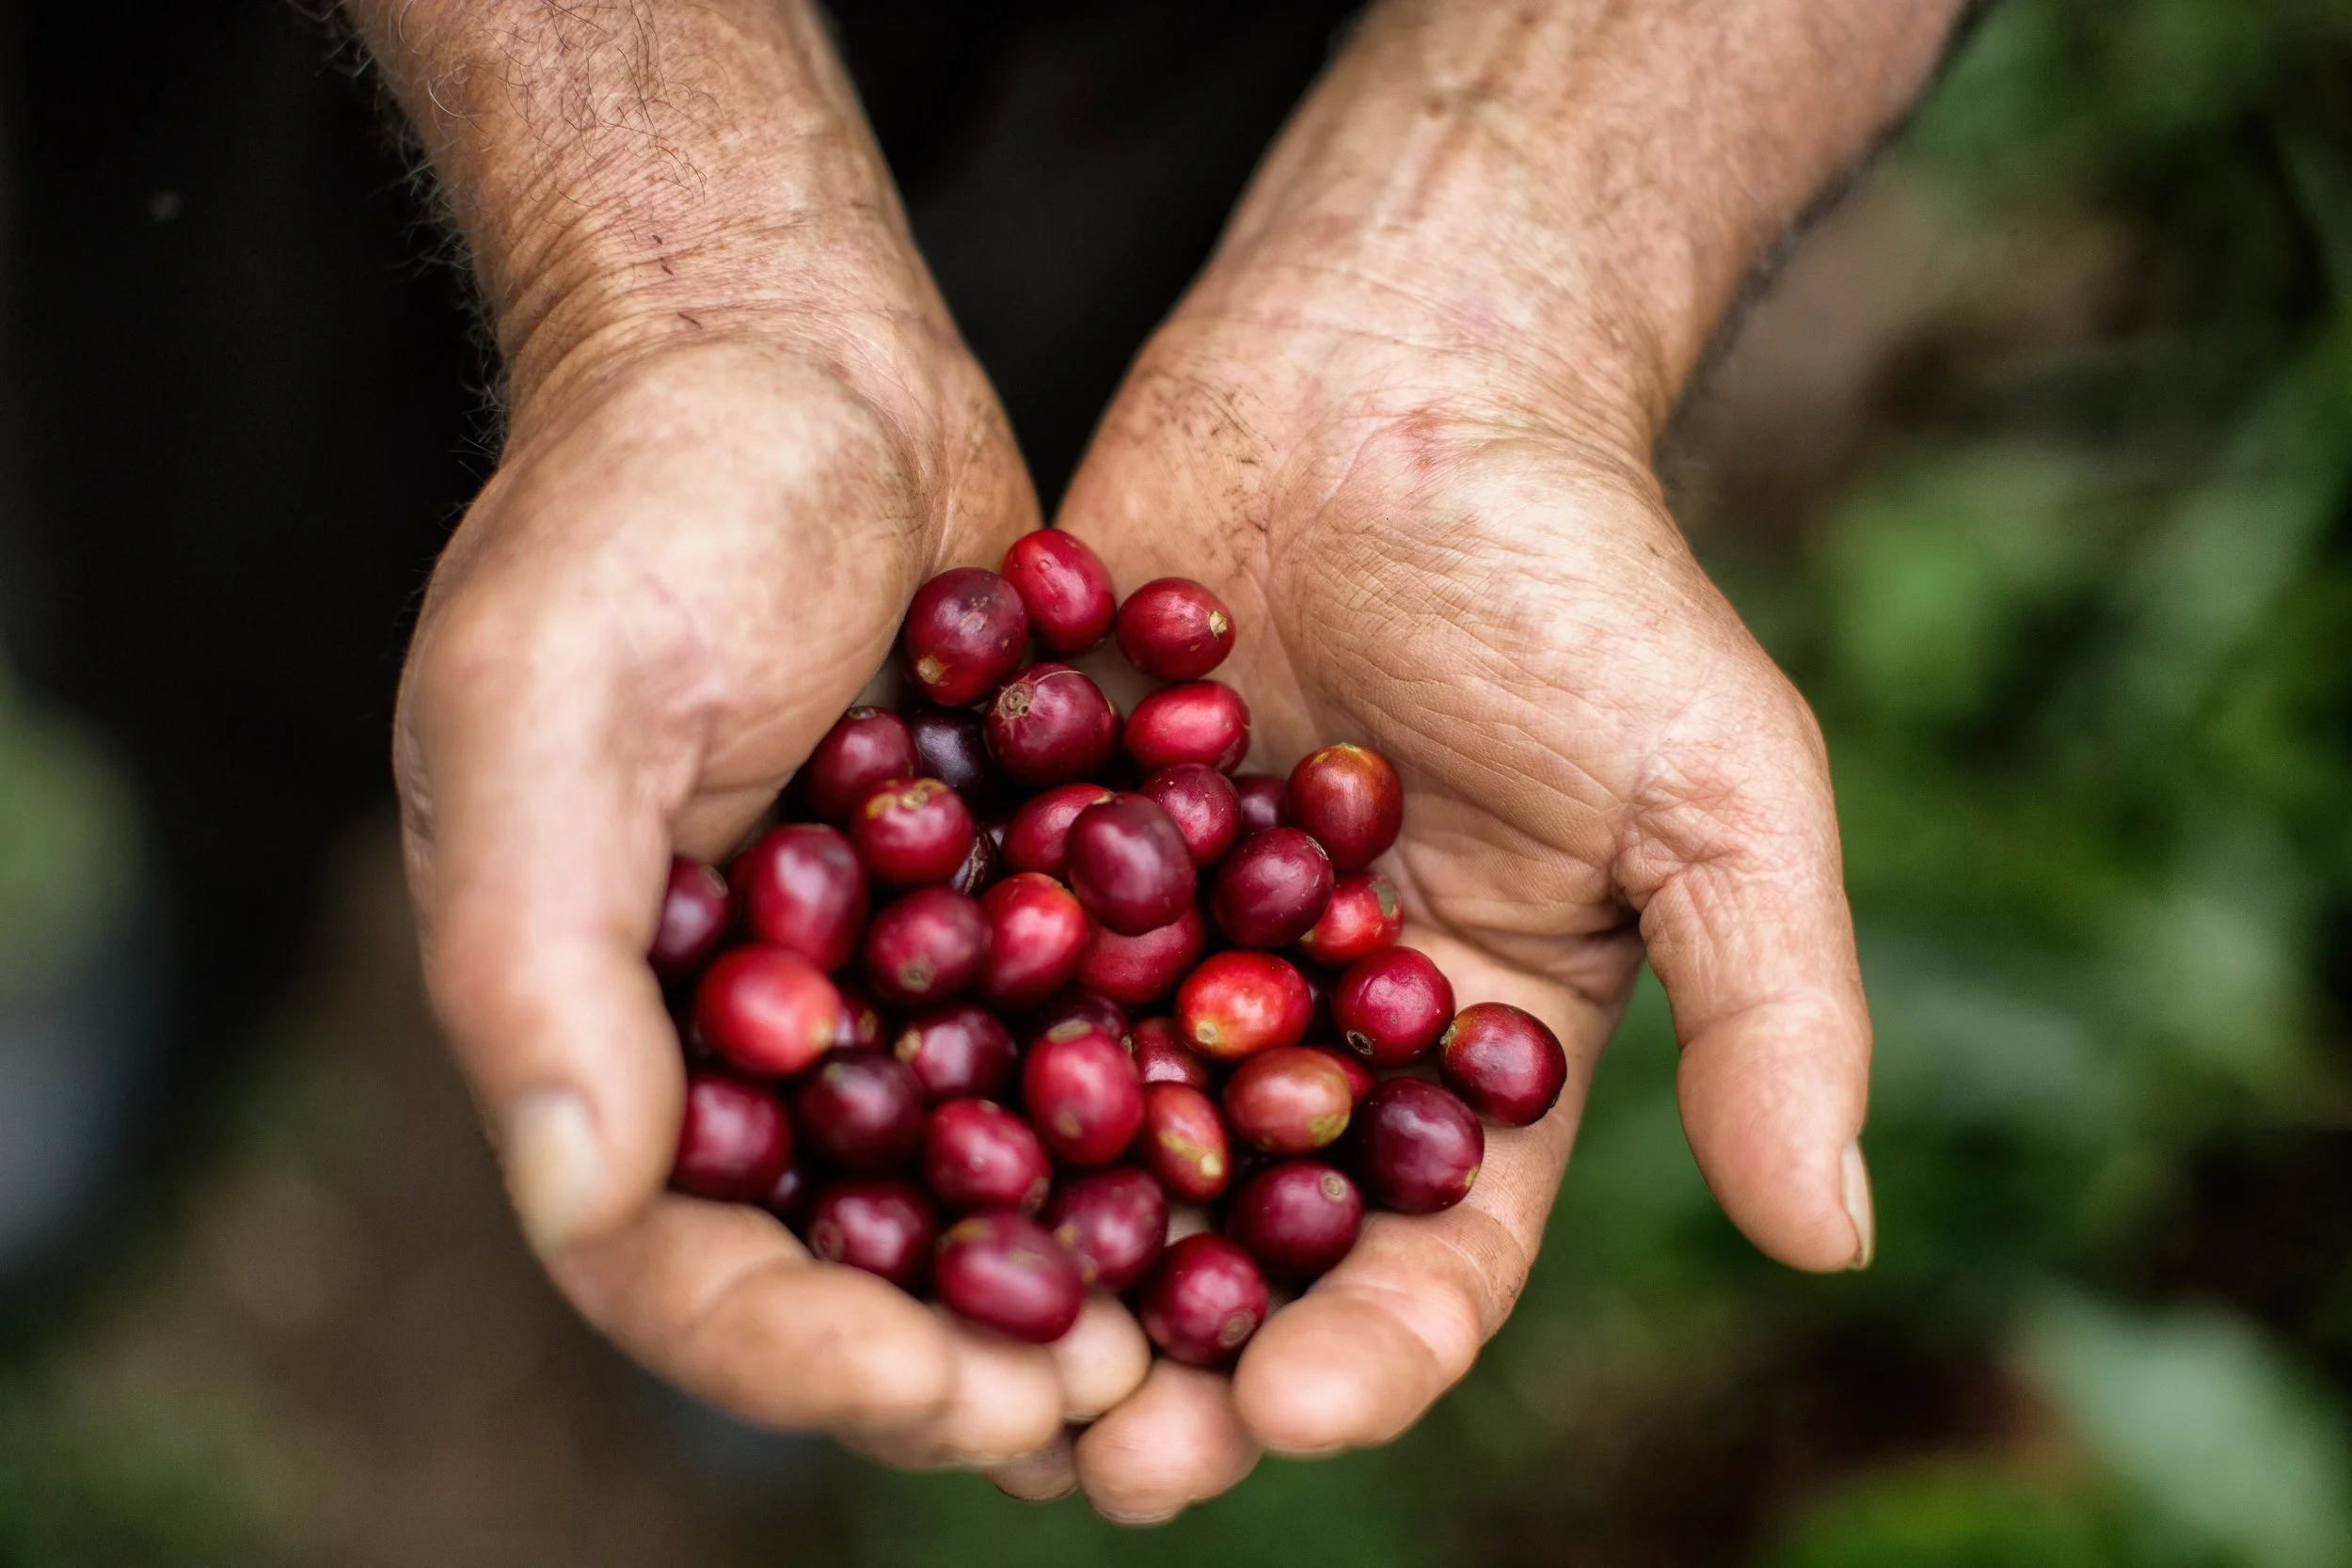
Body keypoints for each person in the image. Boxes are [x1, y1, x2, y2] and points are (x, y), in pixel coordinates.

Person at [356, 0, 1967, 1522]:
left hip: (1220, 136)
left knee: (668, 942)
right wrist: (660, 282)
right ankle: (254, 894)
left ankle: (778, 1239)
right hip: (484, 174)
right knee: (383, 633)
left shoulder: (1129, 917)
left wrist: (1487, 295)